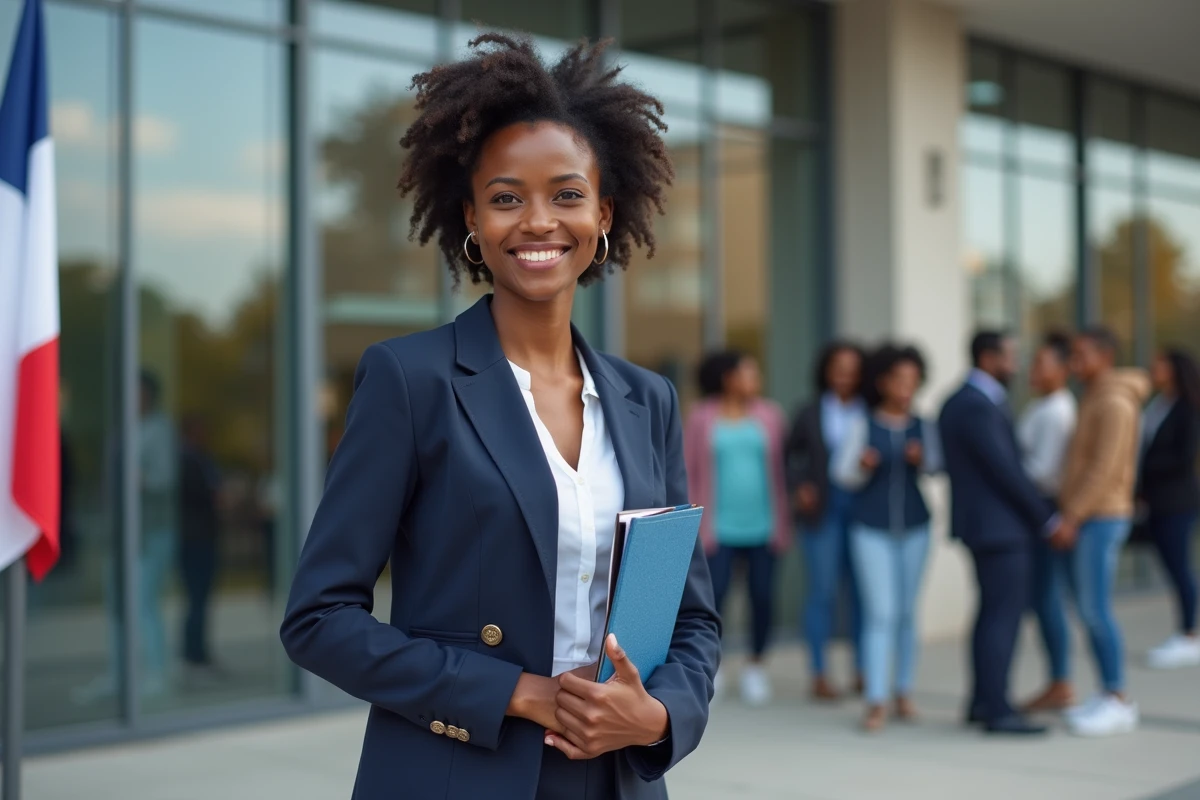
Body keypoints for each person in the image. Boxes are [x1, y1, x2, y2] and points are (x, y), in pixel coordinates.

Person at [280, 35, 721, 799]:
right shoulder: (411, 381)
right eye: (507, 197)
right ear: (472, 221)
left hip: (615, 778)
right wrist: (516, 690)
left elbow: (691, 621)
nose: (538, 221)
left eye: (567, 194)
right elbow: (319, 618)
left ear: (605, 213)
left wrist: (653, 717)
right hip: (457, 771)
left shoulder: (644, 400)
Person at [938, 331, 1051, 736]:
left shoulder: (967, 400)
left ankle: (983, 701)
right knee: (1002, 617)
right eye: (1010, 357)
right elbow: (1005, 470)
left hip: (988, 527)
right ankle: (998, 709)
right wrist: (1046, 519)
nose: (1016, 366)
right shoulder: (975, 404)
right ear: (988, 358)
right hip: (999, 529)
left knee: (991, 614)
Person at [832, 344, 939, 733]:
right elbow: (841, 474)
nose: (906, 388)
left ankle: (904, 692)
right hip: (871, 529)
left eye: (912, 380)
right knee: (881, 613)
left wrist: (922, 459)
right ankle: (876, 699)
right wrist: (862, 466)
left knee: (908, 612)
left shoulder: (923, 425)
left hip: (916, 527)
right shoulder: (864, 423)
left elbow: (937, 467)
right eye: (898, 380)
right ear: (882, 382)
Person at [1051, 326, 1149, 737]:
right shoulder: (1093, 396)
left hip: (1101, 517)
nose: (1074, 363)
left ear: (1105, 356)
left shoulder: (1114, 401)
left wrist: (1071, 516)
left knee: (1096, 609)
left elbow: (1104, 468)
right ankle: (1107, 692)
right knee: (1089, 610)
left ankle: (1117, 698)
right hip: (1092, 516)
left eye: (1081, 355)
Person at [684, 350, 789, 706]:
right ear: (728, 378)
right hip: (717, 528)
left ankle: (756, 666)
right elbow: (687, 468)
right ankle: (713, 665)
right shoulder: (701, 417)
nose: (754, 381)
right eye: (748, 373)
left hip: (764, 526)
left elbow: (782, 469)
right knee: (715, 600)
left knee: (762, 597)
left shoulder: (771, 415)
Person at [785, 341, 866, 700]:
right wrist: (800, 486)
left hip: (864, 512)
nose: (845, 376)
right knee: (822, 592)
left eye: (852, 368)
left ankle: (864, 669)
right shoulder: (810, 411)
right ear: (826, 371)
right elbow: (789, 456)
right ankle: (819, 673)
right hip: (823, 512)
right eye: (838, 368)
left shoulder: (870, 410)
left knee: (863, 592)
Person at [1017, 333, 1078, 713]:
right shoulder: (1042, 406)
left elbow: (1044, 472)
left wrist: (1005, 472)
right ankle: (1058, 680)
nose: (1033, 370)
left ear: (1063, 369)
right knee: (1043, 599)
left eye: (1042, 363)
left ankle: (1060, 681)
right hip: (1036, 511)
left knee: (1048, 599)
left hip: (1044, 512)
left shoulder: (1057, 411)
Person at [1138, 348, 1200, 669]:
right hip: (1156, 501)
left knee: (1179, 567)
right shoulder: (1158, 404)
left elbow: (1182, 457)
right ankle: (1186, 631)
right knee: (1171, 565)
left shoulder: (1187, 407)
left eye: (1159, 363)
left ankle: (1189, 634)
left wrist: (1144, 471)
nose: (1153, 368)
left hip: (1177, 501)